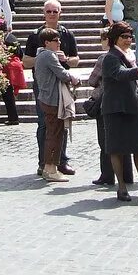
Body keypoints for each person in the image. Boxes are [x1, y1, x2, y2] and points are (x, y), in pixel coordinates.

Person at [24, 0, 79, 178]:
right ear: (44, 13)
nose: (52, 14)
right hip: (44, 84)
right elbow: (25, 62)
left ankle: (61, 161)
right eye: (49, 11)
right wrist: (47, 57)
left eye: (55, 11)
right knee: (44, 124)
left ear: (60, 13)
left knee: (61, 123)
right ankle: (44, 163)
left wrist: (65, 59)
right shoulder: (35, 35)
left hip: (62, 86)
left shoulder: (67, 34)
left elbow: (76, 60)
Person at [101, 22, 138, 202]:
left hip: (132, 107)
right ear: (114, 38)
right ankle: (121, 187)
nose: (128, 40)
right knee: (116, 149)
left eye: (130, 36)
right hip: (115, 109)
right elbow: (120, 74)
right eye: (124, 36)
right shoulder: (110, 57)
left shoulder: (130, 54)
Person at [33, 28, 81, 182]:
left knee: (53, 133)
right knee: (54, 135)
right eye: (56, 40)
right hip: (52, 100)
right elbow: (62, 73)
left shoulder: (41, 55)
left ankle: (50, 167)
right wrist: (74, 79)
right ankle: (50, 168)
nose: (59, 42)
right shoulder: (48, 55)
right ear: (47, 42)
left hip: (47, 98)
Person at [88, 29, 134, 187]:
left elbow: (92, 80)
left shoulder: (105, 57)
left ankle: (107, 175)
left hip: (107, 102)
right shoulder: (131, 56)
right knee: (126, 139)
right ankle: (127, 174)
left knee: (106, 140)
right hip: (127, 102)